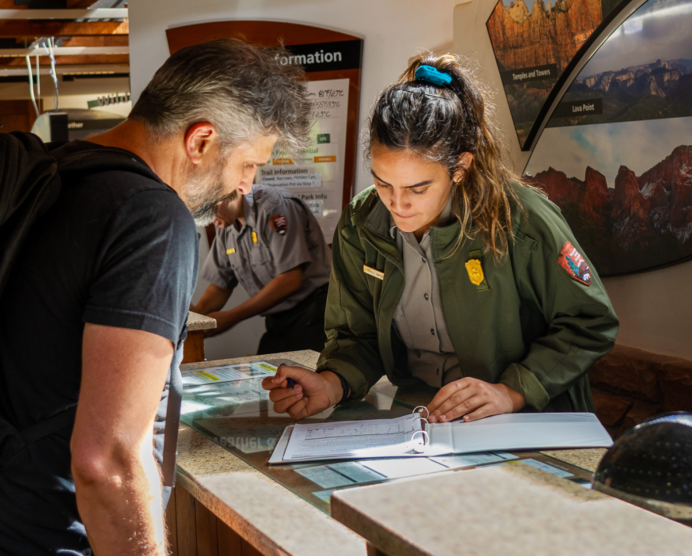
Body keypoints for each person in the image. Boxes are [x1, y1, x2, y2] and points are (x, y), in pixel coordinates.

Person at [0, 39, 311, 556]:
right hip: (41, 535)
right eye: (249, 164)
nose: (246, 183)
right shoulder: (149, 216)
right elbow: (110, 460)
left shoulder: (47, 175)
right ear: (201, 141)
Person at [263, 55, 618, 424]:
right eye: (383, 183)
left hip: (531, 418)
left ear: (460, 168)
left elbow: (590, 322)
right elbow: (356, 336)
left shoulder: (522, 218)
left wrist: (512, 390)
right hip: (423, 417)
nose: (397, 204)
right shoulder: (360, 223)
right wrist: (333, 383)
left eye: (418, 188)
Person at [192, 184, 331, 353]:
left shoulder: (276, 207)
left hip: (315, 315)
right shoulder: (226, 223)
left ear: (223, 198)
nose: (211, 222)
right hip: (277, 321)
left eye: (210, 214)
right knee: (264, 376)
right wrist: (196, 318)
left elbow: (289, 280)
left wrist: (231, 317)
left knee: (297, 377)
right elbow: (221, 285)